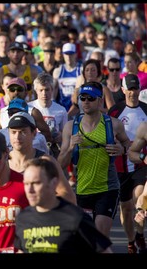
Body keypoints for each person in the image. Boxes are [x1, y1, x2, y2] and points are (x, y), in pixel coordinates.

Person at [58, 81, 130, 238]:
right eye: (82, 98)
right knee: (86, 239)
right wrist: (70, 147)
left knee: (99, 236)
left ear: (100, 100)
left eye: (90, 98)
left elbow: (128, 144)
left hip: (107, 189)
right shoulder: (71, 127)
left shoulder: (113, 124)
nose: (85, 102)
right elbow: (60, 164)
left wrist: (122, 149)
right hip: (82, 189)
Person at [14, 157, 113, 253]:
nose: (30, 190)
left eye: (36, 183)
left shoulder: (75, 218)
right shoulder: (23, 218)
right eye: (26, 184)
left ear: (53, 183)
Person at [108, 74, 147, 253]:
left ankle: (140, 233)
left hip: (141, 165)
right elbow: (108, 137)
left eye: (136, 89)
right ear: (123, 90)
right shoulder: (115, 112)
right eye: (129, 89)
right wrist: (120, 146)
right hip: (121, 167)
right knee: (126, 208)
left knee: (140, 197)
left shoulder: (146, 110)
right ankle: (132, 240)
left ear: (140, 89)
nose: (133, 93)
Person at [7, 111, 76, 204]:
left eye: (23, 132)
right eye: (13, 132)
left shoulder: (46, 161)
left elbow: (67, 195)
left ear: (34, 133)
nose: (17, 137)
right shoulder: (2, 162)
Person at [129, 121, 147, 252]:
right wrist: (143, 156)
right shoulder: (145, 127)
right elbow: (132, 153)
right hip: (143, 170)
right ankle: (140, 233)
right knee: (139, 196)